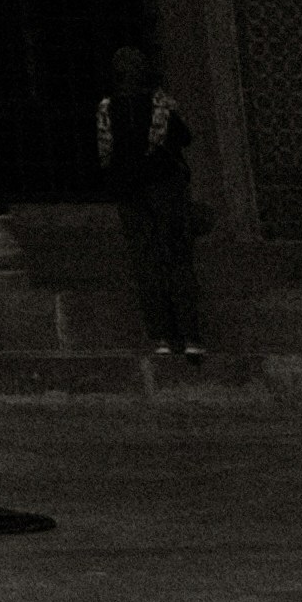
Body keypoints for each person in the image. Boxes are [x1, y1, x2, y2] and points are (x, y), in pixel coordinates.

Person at [100, 43, 202, 363]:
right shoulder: (161, 104)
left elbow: (105, 153)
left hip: (132, 192)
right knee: (176, 258)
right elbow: (184, 137)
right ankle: (190, 336)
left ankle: (161, 335)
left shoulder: (107, 108)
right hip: (164, 188)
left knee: (146, 261)